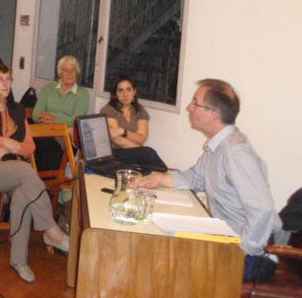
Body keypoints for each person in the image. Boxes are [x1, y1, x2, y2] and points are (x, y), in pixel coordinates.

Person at [138, 79, 281, 283]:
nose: (189, 107)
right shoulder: (218, 146)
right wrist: (160, 178)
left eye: (195, 103)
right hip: (231, 242)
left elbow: (263, 209)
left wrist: (240, 252)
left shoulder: (234, 152)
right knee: (163, 246)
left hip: (254, 258)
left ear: (213, 114)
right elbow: (196, 176)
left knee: (165, 261)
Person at [0, 62, 69, 283]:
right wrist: (0, 141)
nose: (5, 83)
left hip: (12, 169)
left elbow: (30, 147)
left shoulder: (17, 109)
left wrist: (14, 147)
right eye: (0, 79)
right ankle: (51, 229)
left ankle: (19, 260)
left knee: (22, 192)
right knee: (24, 170)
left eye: (8, 79)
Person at [98, 74, 166, 168]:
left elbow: (142, 139)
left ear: (134, 91)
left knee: (149, 158)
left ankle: (164, 175)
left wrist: (123, 131)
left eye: (128, 89)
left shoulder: (140, 111)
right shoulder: (108, 110)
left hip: (134, 152)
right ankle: (166, 175)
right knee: (149, 153)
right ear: (115, 94)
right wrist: (142, 151)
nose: (125, 94)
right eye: (121, 91)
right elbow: (117, 139)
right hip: (114, 153)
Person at [33, 55, 89, 129]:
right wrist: (43, 118)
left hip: (65, 133)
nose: (69, 73)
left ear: (77, 72)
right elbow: (36, 114)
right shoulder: (48, 89)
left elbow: (76, 120)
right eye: (65, 70)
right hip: (45, 128)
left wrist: (56, 120)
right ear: (60, 73)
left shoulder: (83, 94)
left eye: (73, 70)